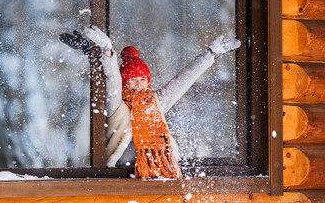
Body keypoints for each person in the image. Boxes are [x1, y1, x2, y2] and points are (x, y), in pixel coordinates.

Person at [60, 26, 240, 178]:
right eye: (132, 79)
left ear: (148, 81)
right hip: (119, 177)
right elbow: (112, 78)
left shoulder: (156, 101)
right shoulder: (118, 106)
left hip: (159, 173)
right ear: (125, 82)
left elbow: (182, 81)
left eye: (142, 79)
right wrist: (107, 50)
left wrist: (210, 55)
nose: (138, 84)